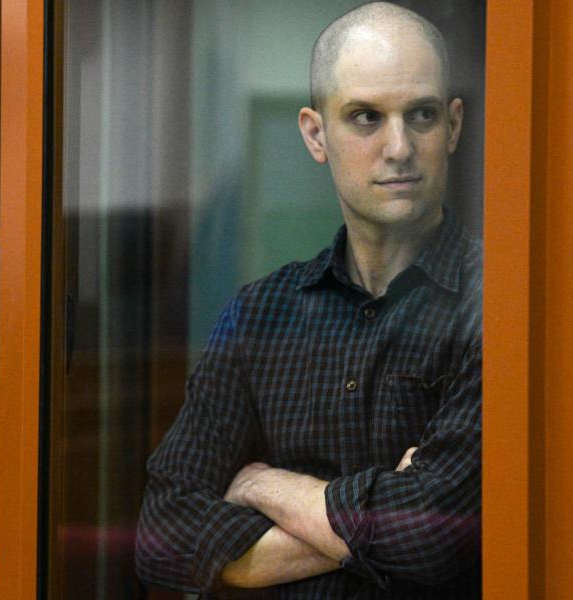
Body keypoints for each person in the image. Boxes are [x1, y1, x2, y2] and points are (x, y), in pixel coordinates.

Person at [136, 2, 481, 598]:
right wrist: (372, 521)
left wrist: (262, 486)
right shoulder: (259, 314)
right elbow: (163, 535)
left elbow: (428, 541)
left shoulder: (500, 301)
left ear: (452, 126)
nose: (399, 147)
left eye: (420, 115)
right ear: (316, 133)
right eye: (366, 117)